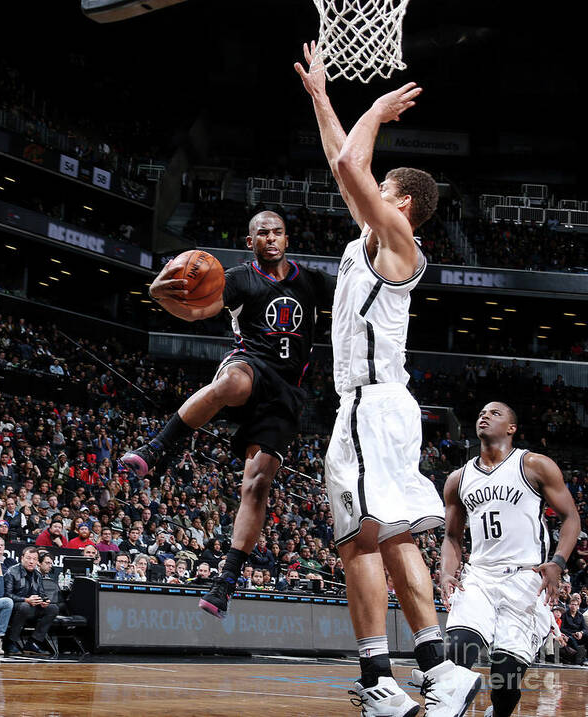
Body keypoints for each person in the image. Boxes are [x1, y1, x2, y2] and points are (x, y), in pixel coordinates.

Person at [296, 42, 480, 715]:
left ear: (398, 199)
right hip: (388, 404)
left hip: (369, 404)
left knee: (357, 539)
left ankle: (378, 675)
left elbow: (351, 164)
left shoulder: (397, 240)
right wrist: (321, 96)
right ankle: (438, 667)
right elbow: (341, 163)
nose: (363, 189)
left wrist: (374, 105)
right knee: (394, 534)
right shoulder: (375, 238)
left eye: (378, 187)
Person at [122, 209, 335, 619]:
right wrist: (159, 293)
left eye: (276, 232)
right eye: (261, 233)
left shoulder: (311, 280)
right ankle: (154, 448)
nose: (270, 238)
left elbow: (355, 296)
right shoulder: (238, 277)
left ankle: (226, 582)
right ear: (249, 242)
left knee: (256, 486)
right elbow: (197, 311)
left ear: (286, 239)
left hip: (288, 392)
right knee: (232, 385)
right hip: (248, 363)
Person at [441, 401, 581, 716]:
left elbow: (571, 517)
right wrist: (447, 572)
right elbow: (452, 537)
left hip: (524, 578)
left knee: (505, 678)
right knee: (456, 650)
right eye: (480, 412)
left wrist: (557, 562)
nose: (484, 415)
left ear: (511, 428)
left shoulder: (534, 465)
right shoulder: (457, 480)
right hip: (479, 576)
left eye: (494, 413)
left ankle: (500, 712)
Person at [4, 545, 58, 655]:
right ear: (22, 558)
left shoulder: (37, 574)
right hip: (15, 607)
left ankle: (34, 642)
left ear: (37, 561)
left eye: (34, 559)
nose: (31, 561)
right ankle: (11, 642)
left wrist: (44, 600)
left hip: (32, 606)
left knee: (53, 608)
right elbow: (7, 595)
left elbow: (42, 593)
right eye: (28, 558)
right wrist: (26, 599)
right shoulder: (11, 572)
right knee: (25, 606)